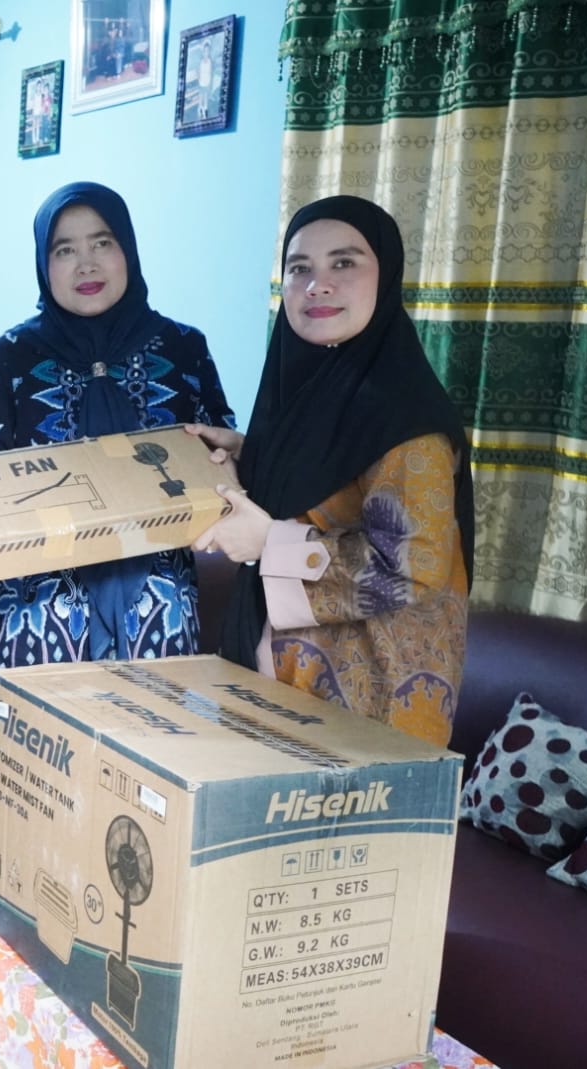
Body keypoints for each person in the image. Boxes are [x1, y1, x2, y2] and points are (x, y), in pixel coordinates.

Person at [189, 194, 473, 746]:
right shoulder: (311, 393)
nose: (317, 285)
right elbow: (333, 480)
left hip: (366, 720)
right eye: (300, 269)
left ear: (385, 276)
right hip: (285, 694)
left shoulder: (404, 419)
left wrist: (268, 542)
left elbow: (413, 564)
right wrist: (255, 456)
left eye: (344, 263)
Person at [0, 181, 235, 673]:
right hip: (36, 623)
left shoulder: (183, 349)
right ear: (44, 264)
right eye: (64, 250)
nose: (86, 264)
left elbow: (224, 469)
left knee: (155, 724)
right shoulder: (8, 359)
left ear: (128, 249)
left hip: (159, 621)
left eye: (102, 242)